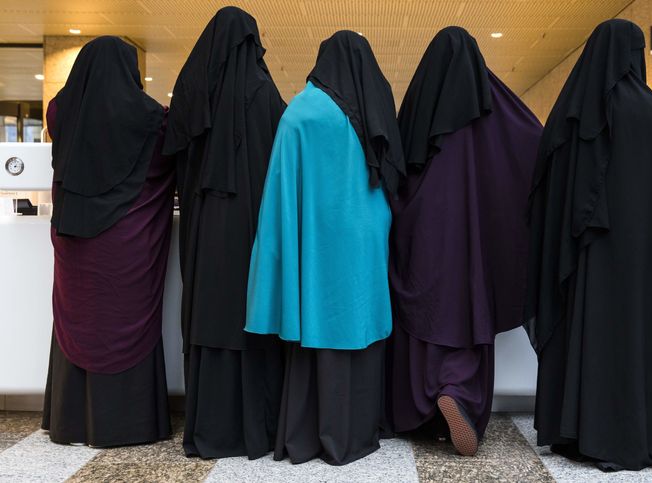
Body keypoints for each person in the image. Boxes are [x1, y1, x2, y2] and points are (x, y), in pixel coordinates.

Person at [524, 19, 652, 472]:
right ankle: (636, 433)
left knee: (589, 335)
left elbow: (548, 188)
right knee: (637, 337)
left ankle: (579, 432)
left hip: (588, 257)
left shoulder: (574, 110)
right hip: (643, 261)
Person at [245, 30, 405, 465]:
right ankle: (360, 429)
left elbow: (279, 195)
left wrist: (274, 256)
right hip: (366, 238)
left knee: (318, 329)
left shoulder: (300, 113)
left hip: (317, 244)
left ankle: (311, 435)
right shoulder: (377, 102)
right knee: (362, 331)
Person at [388, 26, 541, 456]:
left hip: (424, 234)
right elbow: (538, 143)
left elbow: (394, 168)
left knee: (425, 315)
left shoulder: (420, 104)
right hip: (474, 241)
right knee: (470, 312)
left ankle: (428, 408)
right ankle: (458, 393)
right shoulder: (495, 106)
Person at [162, 7, 286, 459]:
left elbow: (173, 154)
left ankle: (209, 428)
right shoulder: (266, 93)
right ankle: (255, 428)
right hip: (253, 226)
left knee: (210, 313)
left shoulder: (194, 88)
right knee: (250, 313)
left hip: (207, 226)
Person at [42, 36, 173, 447]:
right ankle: (125, 423)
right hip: (126, 244)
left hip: (73, 241)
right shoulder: (153, 118)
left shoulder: (61, 109)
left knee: (77, 318)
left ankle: (70, 421)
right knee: (122, 319)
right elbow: (166, 167)